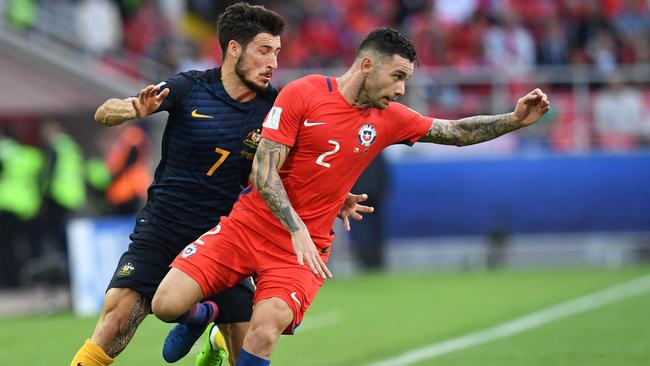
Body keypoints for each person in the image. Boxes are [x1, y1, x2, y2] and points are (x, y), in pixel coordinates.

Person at [151, 27, 550, 365]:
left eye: (405, 79)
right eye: (396, 76)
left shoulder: (390, 118)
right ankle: (203, 315)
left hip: (302, 252)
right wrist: (295, 227)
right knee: (165, 305)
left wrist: (513, 120)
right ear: (366, 65)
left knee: (266, 326)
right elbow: (263, 170)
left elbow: (456, 132)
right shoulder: (303, 94)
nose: (401, 89)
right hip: (249, 227)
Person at [69, 3, 370, 366]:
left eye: (276, 52)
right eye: (263, 51)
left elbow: (299, 168)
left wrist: (336, 198)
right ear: (233, 49)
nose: (273, 63)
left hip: (227, 239)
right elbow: (106, 112)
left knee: (246, 353)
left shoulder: (277, 109)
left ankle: (211, 332)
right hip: (163, 228)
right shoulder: (189, 87)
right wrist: (134, 110)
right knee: (114, 321)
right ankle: (200, 315)